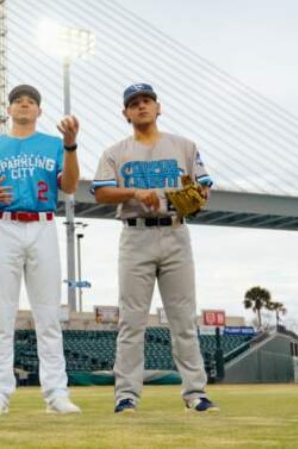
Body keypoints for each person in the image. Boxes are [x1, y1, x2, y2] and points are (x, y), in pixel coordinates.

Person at [90, 83, 218, 414]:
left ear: (158, 107)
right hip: (136, 236)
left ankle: (195, 393)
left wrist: (195, 200)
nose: (141, 106)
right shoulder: (115, 152)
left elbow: (204, 188)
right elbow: (101, 192)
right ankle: (126, 395)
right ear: (125, 113)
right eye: (134, 103)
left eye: (147, 101)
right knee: (131, 321)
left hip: (176, 232)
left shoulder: (184, 146)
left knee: (184, 320)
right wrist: (133, 193)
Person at [0, 84, 82, 415]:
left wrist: (71, 145)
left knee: (48, 315)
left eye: (31, 102)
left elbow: (70, 186)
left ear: (39, 111)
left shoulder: (54, 144)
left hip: (43, 223)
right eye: (18, 101)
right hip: (4, 225)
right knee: (0, 315)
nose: (24, 105)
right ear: (9, 109)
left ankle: (56, 393)